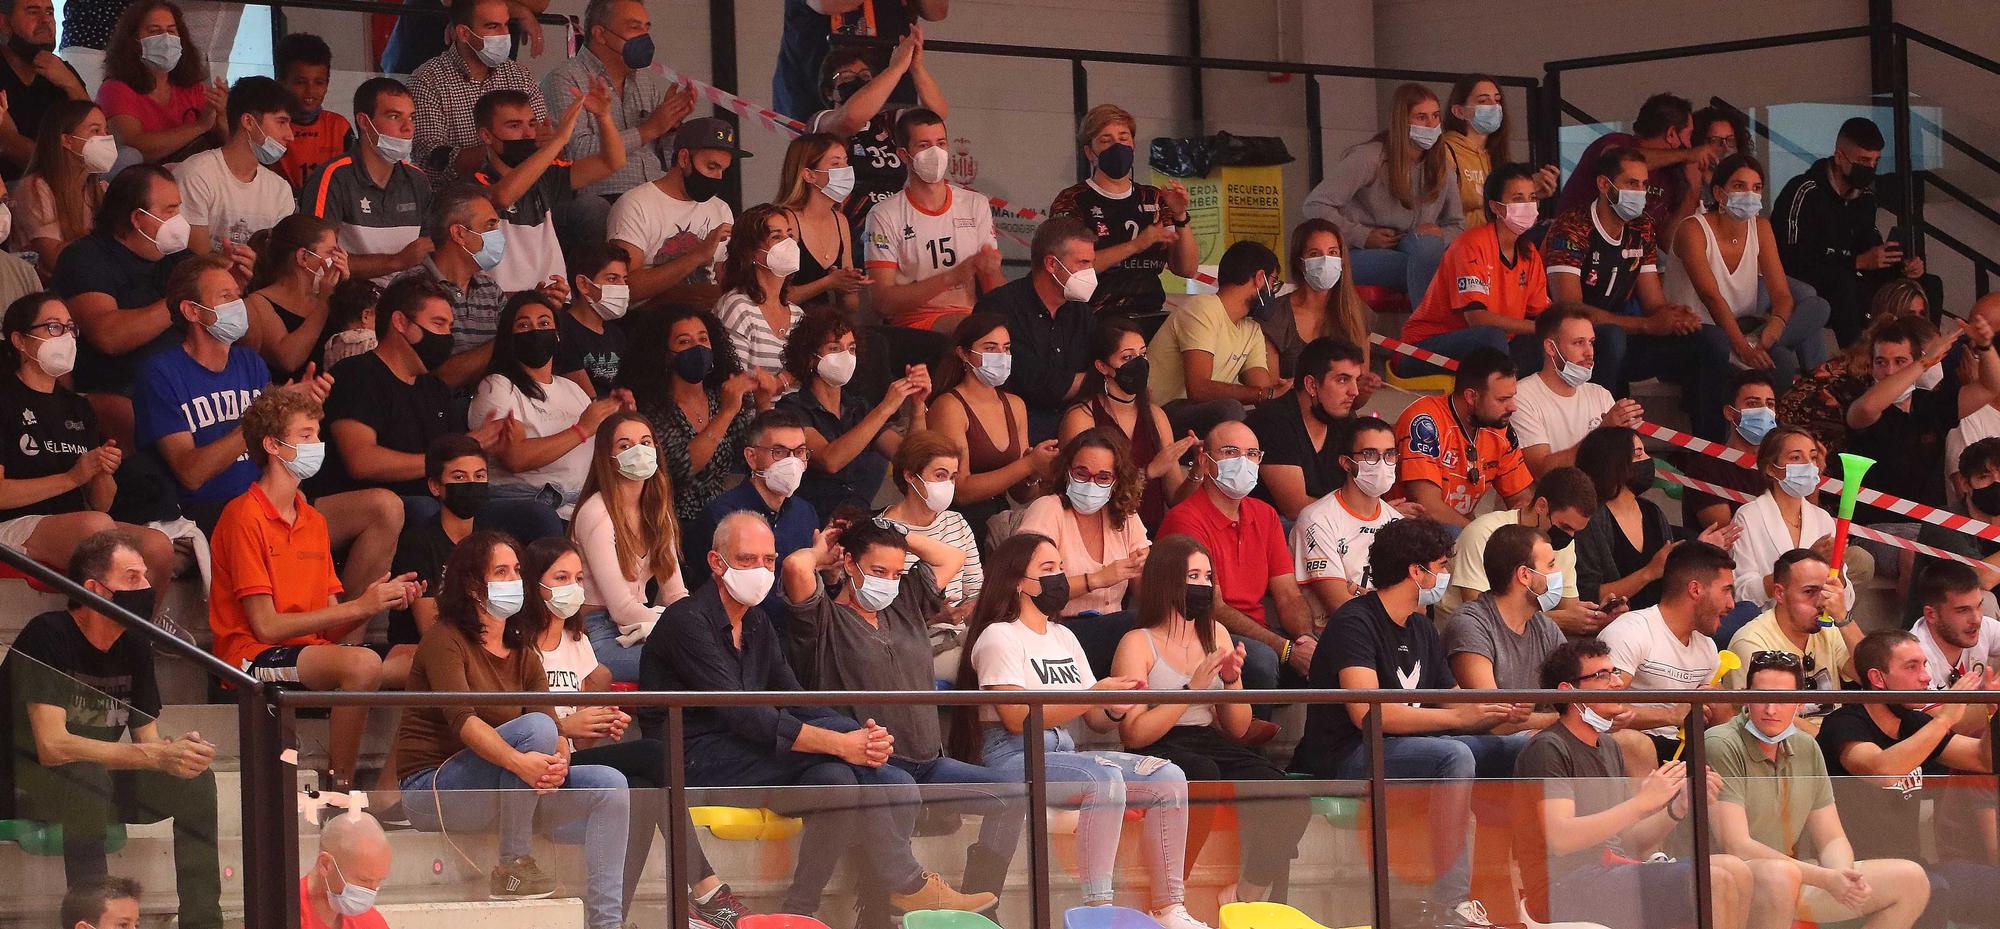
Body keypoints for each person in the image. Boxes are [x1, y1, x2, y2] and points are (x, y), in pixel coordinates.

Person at [645, 511, 997, 917]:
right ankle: (906, 884)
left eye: (767, 560)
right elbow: (743, 715)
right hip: (692, 757)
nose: (760, 570)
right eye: (746, 560)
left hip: (747, 749)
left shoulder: (756, 620)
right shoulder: (687, 620)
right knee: (859, 771)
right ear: (714, 562)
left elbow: (795, 696)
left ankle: (801, 911)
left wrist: (860, 734)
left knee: (840, 780)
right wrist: (840, 743)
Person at [955, 530, 1211, 929]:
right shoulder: (998, 635)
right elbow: (1015, 717)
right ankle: (1099, 909)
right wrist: (1093, 694)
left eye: (1061, 567)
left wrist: (1112, 706)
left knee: (1167, 775)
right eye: (1048, 569)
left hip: (1064, 754)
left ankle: (1168, 905)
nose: (1059, 577)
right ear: (1019, 582)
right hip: (1010, 755)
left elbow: (1093, 718)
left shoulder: (1064, 636)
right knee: (1103, 777)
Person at [1291, 515, 1526, 929]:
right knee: (1454, 756)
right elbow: (1366, 714)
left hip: (1412, 747)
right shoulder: (1355, 622)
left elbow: (1447, 701)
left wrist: (1498, 715)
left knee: (1521, 747)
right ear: (1415, 572)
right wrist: (1458, 717)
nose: (1446, 576)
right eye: (1440, 567)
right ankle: (1452, 904)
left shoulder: (1420, 626)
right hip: (1347, 754)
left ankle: (1532, 886)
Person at [391, 530, 631, 926]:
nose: (514, 581)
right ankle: (512, 865)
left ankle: (607, 923)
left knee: (611, 784)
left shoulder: (524, 652)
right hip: (431, 789)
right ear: (471, 585)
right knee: (533, 727)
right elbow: (464, 721)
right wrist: (523, 764)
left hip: (506, 788)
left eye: (517, 571)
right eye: (501, 572)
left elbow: (554, 732)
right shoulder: (444, 638)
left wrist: (555, 763)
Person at [782, 516, 1023, 906]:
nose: (888, 581)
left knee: (1011, 796)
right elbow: (795, 567)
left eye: (896, 572)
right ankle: (898, 896)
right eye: (878, 570)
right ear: (849, 564)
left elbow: (952, 556)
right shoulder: (822, 619)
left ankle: (985, 902)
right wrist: (821, 554)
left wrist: (901, 536)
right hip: (870, 763)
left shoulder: (905, 603)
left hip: (928, 762)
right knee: (900, 790)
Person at [519, 537, 751, 929]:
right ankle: (708, 889)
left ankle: (614, 920)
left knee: (643, 794)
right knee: (651, 755)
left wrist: (599, 721)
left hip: (574, 767)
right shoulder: (518, 645)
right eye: (560, 577)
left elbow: (582, 739)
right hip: (533, 774)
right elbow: (519, 726)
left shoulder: (579, 642)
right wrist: (565, 725)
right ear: (533, 584)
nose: (572, 588)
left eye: (578, 578)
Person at [0, 530, 220, 929]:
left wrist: (178, 755)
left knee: (195, 782)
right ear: (95, 590)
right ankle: (92, 921)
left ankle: (204, 923)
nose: (147, 588)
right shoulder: (47, 635)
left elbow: (147, 743)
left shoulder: (135, 645)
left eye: (147, 577)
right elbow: (52, 747)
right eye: (132, 578)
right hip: (20, 783)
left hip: (92, 781)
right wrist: (153, 755)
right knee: (85, 775)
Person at [208, 390, 421, 791]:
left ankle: (388, 792)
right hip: (249, 657)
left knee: (424, 658)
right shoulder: (243, 516)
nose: (317, 445)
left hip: (309, 653)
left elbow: (330, 629)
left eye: (317, 434)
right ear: (273, 445)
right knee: (361, 665)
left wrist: (376, 601)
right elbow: (266, 627)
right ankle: (340, 789)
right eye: (306, 435)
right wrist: (358, 606)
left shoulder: (312, 519)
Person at [1514, 640, 1769, 929]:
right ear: (1567, 691)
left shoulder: (1608, 746)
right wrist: (1640, 803)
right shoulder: (1548, 748)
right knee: (1717, 878)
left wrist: (1677, 806)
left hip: (1608, 872)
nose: (1616, 683)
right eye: (1602, 676)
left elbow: (1628, 841)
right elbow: (1561, 839)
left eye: (1614, 673)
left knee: (1736, 870)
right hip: (1562, 887)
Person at [1111, 533, 1308, 905]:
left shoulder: (1215, 632)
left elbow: (1236, 727)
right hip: (1159, 747)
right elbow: (1134, 733)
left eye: (1207, 577)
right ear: (1167, 580)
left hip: (1208, 738)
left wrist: (1231, 681)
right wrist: (1191, 691)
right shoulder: (1137, 643)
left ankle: (1246, 895)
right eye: (1193, 577)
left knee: (1289, 795)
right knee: (1203, 775)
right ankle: (1170, 897)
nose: (1202, 586)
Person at [1707, 653, 1932, 929]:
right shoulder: (1720, 743)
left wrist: (1842, 875)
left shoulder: (1806, 746)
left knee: (1912, 880)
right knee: (1780, 875)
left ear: (1800, 702)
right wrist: (1825, 879)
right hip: (1737, 880)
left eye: (1782, 699)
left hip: (1795, 874)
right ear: (1745, 698)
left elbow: (1831, 837)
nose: (1770, 709)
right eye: (1760, 696)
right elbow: (1736, 845)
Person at [0, 292, 176, 600]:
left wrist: (101, 470)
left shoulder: (78, 408)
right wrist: (73, 478)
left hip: (78, 521)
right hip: (13, 525)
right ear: (19, 340)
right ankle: (99, 636)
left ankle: (139, 639)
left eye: (70, 328)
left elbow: (102, 504)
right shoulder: (5, 398)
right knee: (95, 528)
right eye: (54, 327)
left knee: (157, 545)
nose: (66, 337)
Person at [1544, 144, 1727, 438]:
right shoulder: (1572, 227)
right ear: (1604, 184)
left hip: (1624, 338)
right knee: (1612, 338)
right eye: (1631, 183)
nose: (1640, 192)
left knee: (1711, 340)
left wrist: (1675, 317)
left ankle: (1710, 453)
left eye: (1644, 184)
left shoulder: (1642, 228)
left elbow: (1653, 302)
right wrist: (1646, 323)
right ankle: (1611, 443)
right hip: (1572, 347)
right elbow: (1569, 311)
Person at [1820, 630, 1999, 929]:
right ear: (1878, 678)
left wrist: (1995, 714)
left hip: (1915, 864)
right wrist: (1945, 719)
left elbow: (1982, 759)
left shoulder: (1914, 723)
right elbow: (1882, 770)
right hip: (1857, 872)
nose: (1926, 677)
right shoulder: (1844, 723)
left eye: (1925, 665)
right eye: (1911, 667)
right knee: (1934, 890)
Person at [1160, 420, 1317, 690]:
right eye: (1230, 452)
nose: (1243, 462)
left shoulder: (1265, 514)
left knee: (1333, 656)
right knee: (1263, 661)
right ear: (1205, 461)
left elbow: (1289, 595)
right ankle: (1246, 731)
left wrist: (1305, 640)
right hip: (1202, 633)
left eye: (1252, 454)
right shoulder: (1185, 519)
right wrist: (1287, 650)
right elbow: (1213, 607)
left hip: (1257, 632)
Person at [1663, 153, 1833, 388]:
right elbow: (1710, 296)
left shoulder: (1761, 227)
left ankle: (1772, 348)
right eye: (1740, 186)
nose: (1749, 195)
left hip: (1749, 330)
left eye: (1756, 188)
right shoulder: (1692, 229)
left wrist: (1777, 323)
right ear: (1719, 193)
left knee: (1818, 306)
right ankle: (1809, 388)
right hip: (1705, 335)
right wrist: (1742, 348)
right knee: (1780, 360)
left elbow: (1782, 294)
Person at [55, 164, 190, 451]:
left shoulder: (178, 257)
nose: (178, 220)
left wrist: (230, 289)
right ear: (139, 218)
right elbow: (109, 336)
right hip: (122, 388)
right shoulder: (85, 257)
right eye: (169, 210)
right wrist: (183, 301)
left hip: (188, 381)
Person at [1773, 117, 1935, 347]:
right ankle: (1858, 361)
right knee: (1844, 284)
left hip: (1852, 274)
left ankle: (1926, 355)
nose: (1869, 168)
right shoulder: (1804, 192)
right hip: (1808, 282)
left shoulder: (1865, 197)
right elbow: (1791, 260)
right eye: (1863, 160)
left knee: (1926, 283)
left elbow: (1869, 244)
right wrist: (1857, 262)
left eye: (1875, 162)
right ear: (1840, 157)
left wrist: (1900, 264)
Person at [542, 0, 694, 241]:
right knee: (595, 212)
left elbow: (665, 160)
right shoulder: (565, 79)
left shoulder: (644, 81)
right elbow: (576, 154)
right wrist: (648, 129)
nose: (645, 36)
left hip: (653, 195)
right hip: (603, 198)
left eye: (647, 27)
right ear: (600, 34)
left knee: (708, 209)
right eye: (635, 27)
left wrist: (671, 126)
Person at [468, 291, 625, 518]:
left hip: (582, 506)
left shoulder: (571, 388)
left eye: (544, 323)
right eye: (523, 325)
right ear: (509, 337)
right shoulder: (497, 386)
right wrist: (581, 430)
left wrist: (624, 418)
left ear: (558, 335)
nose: (535, 331)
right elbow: (516, 458)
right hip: (532, 504)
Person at [1301, 82, 1463, 300]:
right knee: (1427, 268)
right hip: (1362, 252)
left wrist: (1439, 234)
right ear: (1401, 121)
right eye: (1421, 117)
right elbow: (1315, 204)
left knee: (1427, 251)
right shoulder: (1370, 158)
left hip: (1417, 248)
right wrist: (1363, 235)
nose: (1431, 124)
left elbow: (1458, 225)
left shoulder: (1442, 164)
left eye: (1435, 116)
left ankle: (1427, 327)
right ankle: (1427, 329)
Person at [1396, 163, 1554, 378]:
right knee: (1492, 338)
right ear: (1496, 207)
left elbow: (1542, 314)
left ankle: (1518, 400)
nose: (1528, 206)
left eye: (1532, 198)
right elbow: (1477, 319)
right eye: (1518, 199)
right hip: (1422, 350)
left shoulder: (1529, 252)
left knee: (1552, 342)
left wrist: (1564, 329)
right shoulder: (1471, 244)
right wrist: (1539, 328)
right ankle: (1499, 398)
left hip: (1492, 348)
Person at [1017, 426, 1151, 676]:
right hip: (1055, 629)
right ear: (1066, 471)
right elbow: (1029, 588)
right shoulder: (1048, 509)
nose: (1091, 483)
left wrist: (1147, 569)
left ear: (1117, 481)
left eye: (1102, 477)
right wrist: (1098, 579)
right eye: (1081, 473)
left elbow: (1145, 592)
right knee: (1134, 628)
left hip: (1111, 631)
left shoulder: (1124, 515)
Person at [1595, 540, 1737, 769]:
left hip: (1683, 751)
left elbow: (1723, 722)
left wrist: (1718, 704)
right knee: (1633, 743)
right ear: (1695, 589)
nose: (1732, 604)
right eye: (1726, 591)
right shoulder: (1631, 631)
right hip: (1630, 752)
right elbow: (1602, 709)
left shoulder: (1707, 647)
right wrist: (1671, 715)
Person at [470, 84, 624, 294]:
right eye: (514, 126)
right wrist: (559, 139)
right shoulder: (473, 184)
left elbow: (611, 162)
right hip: (503, 309)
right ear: (486, 136)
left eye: (532, 124)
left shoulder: (547, 175)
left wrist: (603, 116)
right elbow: (503, 197)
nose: (527, 134)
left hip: (554, 303)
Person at [1048, 103, 1198, 318]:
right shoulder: (1072, 200)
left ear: (1133, 146)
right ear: (1090, 152)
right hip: (1094, 318)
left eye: (1123, 138)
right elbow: (1070, 269)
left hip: (1150, 313)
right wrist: (1136, 245)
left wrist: (1180, 217)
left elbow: (1187, 269)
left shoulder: (1154, 198)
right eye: (1106, 140)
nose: (1117, 146)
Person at [570, 411, 688, 682]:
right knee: (687, 666)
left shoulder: (658, 511)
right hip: (597, 633)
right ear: (608, 459)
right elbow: (621, 609)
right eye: (625, 446)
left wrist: (695, 624)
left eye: (645, 443)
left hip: (641, 626)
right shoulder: (596, 512)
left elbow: (675, 593)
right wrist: (680, 629)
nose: (639, 451)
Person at [779, 306, 927, 521]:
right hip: (812, 523)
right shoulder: (791, 408)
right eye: (834, 348)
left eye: (851, 349)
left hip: (858, 523)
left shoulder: (858, 407)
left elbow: (911, 458)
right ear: (810, 357)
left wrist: (917, 407)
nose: (846, 357)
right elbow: (830, 460)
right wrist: (885, 408)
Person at [623, 305, 764, 530]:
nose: (698, 348)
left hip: (725, 515)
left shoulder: (721, 396)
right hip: (675, 522)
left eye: (703, 339)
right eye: (684, 342)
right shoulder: (653, 408)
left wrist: (763, 400)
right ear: (665, 354)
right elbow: (679, 468)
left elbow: (753, 454)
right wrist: (726, 414)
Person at [1847, 311, 1995, 522]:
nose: (1890, 371)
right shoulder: (1859, 402)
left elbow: (1990, 387)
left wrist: (1985, 346)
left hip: (1930, 527)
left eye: (1900, 361)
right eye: (1881, 362)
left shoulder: (1930, 403)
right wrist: (1924, 362)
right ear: (1871, 366)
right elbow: (1868, 408)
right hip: (1876, 529)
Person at [864, 108, 1002, 333]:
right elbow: (883, 302)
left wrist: (992, 269)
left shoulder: (975, 203)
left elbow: (994, 288)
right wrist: (952, 276)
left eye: (941, 143)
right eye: (924, 145)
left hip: (971, 317)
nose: (936, 152)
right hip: (914, 324)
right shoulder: (884, 214)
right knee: (979, 333)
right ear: (903, 154)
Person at [806, 27, 948, 247]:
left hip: (900, 226)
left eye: (864, 77)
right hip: (849, 233)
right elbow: (850, 118)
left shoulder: (889, 121)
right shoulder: (822, 120)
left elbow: (935, 116)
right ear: (828, 91)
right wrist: (895, 68)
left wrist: (916, 67)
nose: (858, 81)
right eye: (846, 77)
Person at [1574, 426, 1736, 611]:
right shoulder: (1590, 521)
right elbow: (1588, 595)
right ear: (1614, 463)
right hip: (1620, 627)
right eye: (1639, 454)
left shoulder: (1652, 511)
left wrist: (1697, 551)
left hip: (1660, 621)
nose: (1648, 461)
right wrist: (1648, 573)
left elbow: (1671, 574)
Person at [1060, 316, 1196, 528]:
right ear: (1102, 366)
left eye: (1143, 354)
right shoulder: (1082, 417)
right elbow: (1084, 496)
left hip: (1150, 535)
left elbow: (1175, 499)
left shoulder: (1156, 415)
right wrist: (1148, 472)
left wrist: (1197, 472)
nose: (1139, 364)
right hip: (1103, 530)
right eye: (1127, 358)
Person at [975, 213, 1098, 442]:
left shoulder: (1081, 312)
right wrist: (1099, 378)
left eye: (1091, 263)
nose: (1091, 272)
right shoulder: (999, 308)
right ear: (1051, 263)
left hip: (1074, 419)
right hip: (1014, 424)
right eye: (1083, 263)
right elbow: (1035, 383)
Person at [692, 409, 821, 624]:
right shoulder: (721, 516)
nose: (792, 462)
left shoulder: (805, 513)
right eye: (779, 452)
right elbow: (708, 592)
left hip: (798, 636)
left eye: (799, 452)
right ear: (751, 457)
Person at [1147, 240, 1288, 436]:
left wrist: (1288, 392)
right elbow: (1199, 389)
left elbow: (1263, 392)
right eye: (1274, 283)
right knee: (1230, 410)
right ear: (1259, 278)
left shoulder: (1252, 329)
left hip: (1200, 417)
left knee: (1273, 416)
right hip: (1160, 416)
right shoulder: (1203, 308)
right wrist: (1266, 394)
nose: (1273, 292)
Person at [911, 312, 1033, 537]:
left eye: (1006, 348)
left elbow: (1021, 494)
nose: (1001, 356)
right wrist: (1027, 465)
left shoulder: (1015, 405)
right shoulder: (950, 405)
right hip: (957, 524)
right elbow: (960, 490)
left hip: (998, 519)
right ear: (963, 353)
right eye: (990, 348)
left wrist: (1033, 473)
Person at [303, 78, 436, 284]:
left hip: (406, 304)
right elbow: (316, 260)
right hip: (348, 305)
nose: (408, 128)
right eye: (394, 116)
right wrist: (397, 261)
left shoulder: (418, 179)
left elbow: (428, 252)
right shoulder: (334, 176)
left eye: (412, 117)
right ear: (364, 122)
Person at [1443, 465, 1603, 635]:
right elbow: (1483, 617)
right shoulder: (1483, 534)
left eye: (1575, 532)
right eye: (1565, 527)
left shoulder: (1562, 542)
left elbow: (1568, 609)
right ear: (1541, 506)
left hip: (1531, 640)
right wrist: (1557, 620)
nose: (1569, 537)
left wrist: (1594, 617)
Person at [409, 0, 548, 188]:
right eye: (493, 26)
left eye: (506, 25)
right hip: (460, 199)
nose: (504, 35)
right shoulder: (428, 80)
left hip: (525, 192)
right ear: (464, 33)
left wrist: (549, 140)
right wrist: (499, 149)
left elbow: (544, 141)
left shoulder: (520, 75)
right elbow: (430, 160)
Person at [1727, 425, 1863, 614]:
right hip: (1767, 625)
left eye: (1813, 457)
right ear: (1771, 469)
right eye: (1796, 457)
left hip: (1815, 625)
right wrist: (1805, 561)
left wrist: (1837, 567)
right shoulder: (1748, 516)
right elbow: (1742, 593)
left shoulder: (1822, 518)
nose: (1809, 465)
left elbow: (1845, 602)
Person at [1393, 346, 1533, 528]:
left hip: (1461, 529)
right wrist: (1480, 536)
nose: (1513, 407)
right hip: (1410, 531)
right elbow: (1427, 507)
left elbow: (1521, 498)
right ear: (1471, 396)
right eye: (1502, 399)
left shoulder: (1500, 429)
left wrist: (1525, 514)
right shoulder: (1425, 421)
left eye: (1512, 397)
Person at [609, 116, 740, 302]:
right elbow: (625, 289)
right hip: (651, 321)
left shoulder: (720, 209)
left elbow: (723, 281)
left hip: (708, 320)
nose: (718, 177)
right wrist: (698, 255)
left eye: (723, 170)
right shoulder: (636, 204)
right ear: (684, 158)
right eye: (712, 167)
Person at [1554, 93, 1711, 246]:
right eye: (1689, 135)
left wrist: (1693, 190)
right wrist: (1688, 155)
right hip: (1573, 246)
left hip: (1630, 261)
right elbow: (1616, 159)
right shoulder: (1616, 141)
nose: (1691, 145)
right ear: (1671, 134)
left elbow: (1670, 243)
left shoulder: (1670, 174)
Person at [1245, 336, 1371, 520]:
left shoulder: (1343, 420)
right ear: (1311, 385)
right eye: (1343, 380)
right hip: (1275, 529)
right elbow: (1296, 509)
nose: (1354, 391)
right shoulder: (1273, 421)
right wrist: (1367, 512)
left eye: (1355, 380)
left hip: (1330, 526)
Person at [1444, 524, 1566, 714]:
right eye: (1551, 565)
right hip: (1490, 741)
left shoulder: (1546, 628)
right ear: (1524, 575)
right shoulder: (1471, 624)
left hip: (1536, 735)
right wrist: (1563, 723)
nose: (1558, 572)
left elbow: (1579, 694)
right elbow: (1492, 717)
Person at [1292, 417, 1409, 614]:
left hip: (1389, 634)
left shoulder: (1399, 523)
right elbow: (1339, 604)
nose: (1381, 463)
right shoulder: (1317, 519)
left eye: (1389, 454)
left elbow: (1418, 607)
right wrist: (1391, 601)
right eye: (1370, 454)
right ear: (1346, 463)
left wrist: (1368, 599)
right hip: (1335, 636)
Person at [171, 76, 296, 256]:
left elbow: (277, 262)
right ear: (249, 122)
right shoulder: (196, 174)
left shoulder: (280, 190)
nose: (290, 135)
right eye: (281, 122)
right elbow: (195, 262)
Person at [1513, 306, 1645, 475]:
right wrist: (1602, 433)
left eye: (1591, 342)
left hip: (1596, 498)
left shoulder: (1600, 394)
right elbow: (1541, 470)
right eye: (1578, 343)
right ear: (1551, 348)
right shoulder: (1522, 397)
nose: (1589, 352)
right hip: (1547, 500)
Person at [1723, 549, 1858, 710]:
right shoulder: (1751, 641)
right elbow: (1767, 718)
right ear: (1779, 593)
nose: (1821, 602)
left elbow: (1873, 677)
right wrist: (1830, 736)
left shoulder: (1830, 630)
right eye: (1809, 592)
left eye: (1825, 592)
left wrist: (1843, 617)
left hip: (1835, 732)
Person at [399, 184, 506, 382]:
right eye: (490, 226)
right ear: (458, 233)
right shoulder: (412, 287)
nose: (498, 235)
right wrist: (510, 337)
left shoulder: (490, 289)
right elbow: (435, 377)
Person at [387, 434, 487, 647]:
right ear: (435, 486)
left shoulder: (492, 543)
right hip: (421, 653)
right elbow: (431, 630)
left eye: (479, 476)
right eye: (459, 477)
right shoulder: (417, 543)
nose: (471, 484)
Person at [95, 0, 221, 165]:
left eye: (171, 30)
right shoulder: (115, 89)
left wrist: (223, 113)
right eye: (155, 31)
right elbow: (136, 146)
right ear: (133, 41)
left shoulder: (194, 88)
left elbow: (226, 142)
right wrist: (200, 126)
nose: (166, 39)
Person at [877, 429, 984, 608]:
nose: (948, 484)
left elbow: (975, 591)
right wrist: (933, 620)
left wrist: (963, 612)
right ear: (910, 475)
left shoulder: (957, 523)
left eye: (952, 477)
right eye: (940, 475)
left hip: (958, 633)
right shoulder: (881, 531)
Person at [1439, 74, 1557, 230]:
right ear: (1459, 111)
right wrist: (1516, 197)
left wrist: (1528, 198)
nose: (1493, 106)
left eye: (1497, 100)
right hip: (1463, 245)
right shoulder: (1445, 152)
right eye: (1483, 101)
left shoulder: (1496, 155)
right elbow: (1446, 221)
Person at [12, 99, 113, 279]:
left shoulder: (99, 188)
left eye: (106, 131)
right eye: (95, 131)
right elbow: (53, 259)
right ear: (67, 140)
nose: (105, 137)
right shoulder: (36, 188)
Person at [242, 214, 347, 384]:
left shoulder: (327, 298)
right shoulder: (257, 303)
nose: (336, 261)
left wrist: (346, 291)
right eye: (331, 253)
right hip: (286, 403)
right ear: (303, 257)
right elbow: (288, 360)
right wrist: (324, 301)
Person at [772, 132, 869, 315]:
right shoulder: (785, 220)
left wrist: (848, 285)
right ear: (809, 175)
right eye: (835, 164)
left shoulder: (840, 221)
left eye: (846, 162)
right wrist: (828, 283)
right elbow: (775, 296)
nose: (846, 169)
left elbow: (850, 307)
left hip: (823, 329)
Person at [1266, 218, 1372, 380]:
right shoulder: (1276, 314)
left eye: (1333, 253)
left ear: (1342, 259)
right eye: (1314, 254)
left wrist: (1366, 387)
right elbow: (1269, 390)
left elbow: (1357, 392)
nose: (1325, 261)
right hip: (1287, 405)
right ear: (1299, 262)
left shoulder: (1357, 312)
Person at [0, 0, 88, 182]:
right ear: (4, 22)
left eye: (49, 12)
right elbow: (9, 142)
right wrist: (69, 173)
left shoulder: (62, 71)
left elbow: (97, 135)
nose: (45, 20)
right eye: (33, 12)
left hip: (62, 180)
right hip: (11, 186)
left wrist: (71, 84)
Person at [717, 203, 806, 379]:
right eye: (776, 237)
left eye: (789, 235)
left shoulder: (798, 314)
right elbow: (735, 382)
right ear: (751, 252)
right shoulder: (738, 308)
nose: (788, 243)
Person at [1682, 370, 1780, 531]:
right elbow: (1728, 535)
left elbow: (1807, 520)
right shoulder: (1705, 467)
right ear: (1730, 413)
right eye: (1752, 404)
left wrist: (1814, 478)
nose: (1764, 412)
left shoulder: (1779, 464)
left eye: (1770, 404)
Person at [550, 242, 634, 399]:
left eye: (624, 280)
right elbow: (587, 398)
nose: (623, 287)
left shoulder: (616, 335)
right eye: (612, 279)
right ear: (583, 284)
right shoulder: (563, 330)